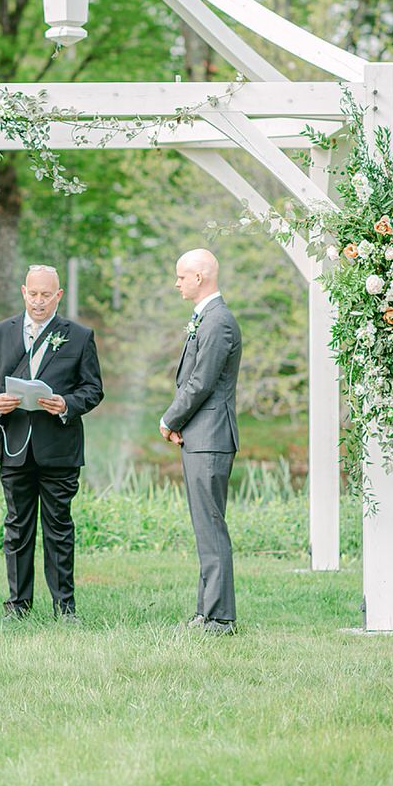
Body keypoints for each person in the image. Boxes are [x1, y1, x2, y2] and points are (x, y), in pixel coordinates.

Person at [0, 264, 103, 621]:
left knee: (59, 528)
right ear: (23, 292)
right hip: (13, 446)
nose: (39, 301)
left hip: (60, 448)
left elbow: (93, 389)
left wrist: (67, 404)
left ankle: (65, 607)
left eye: (46, 295)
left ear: (58, 296)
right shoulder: (0, 332)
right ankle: (17, 605)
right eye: (33, 294)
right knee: (16, 527)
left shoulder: (78, 336)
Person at [159, 249, 241, 635]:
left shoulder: (218, 322)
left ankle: (220, 618)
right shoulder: (206, 318)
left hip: (210, 438)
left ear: (200, 277)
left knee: (211, 527)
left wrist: (170, 419)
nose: (176, 283)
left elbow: (201, 382)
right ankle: (205, 612)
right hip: (199, 436)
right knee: (204, 528)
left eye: (181, 277)